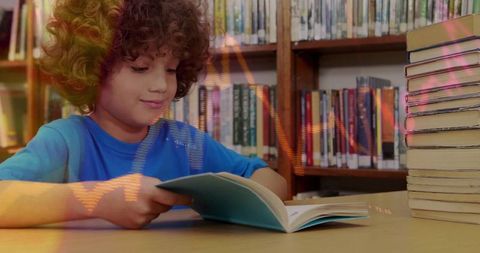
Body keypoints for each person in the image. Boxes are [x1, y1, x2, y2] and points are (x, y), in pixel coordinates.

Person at [0, 0, 286, 229]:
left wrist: (225, 200)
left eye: (171, 69)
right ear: (91, 69)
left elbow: (273, 182)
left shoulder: (185, 143)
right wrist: (96, 200)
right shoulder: (65, 142)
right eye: (140, 68)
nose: (162, 86)